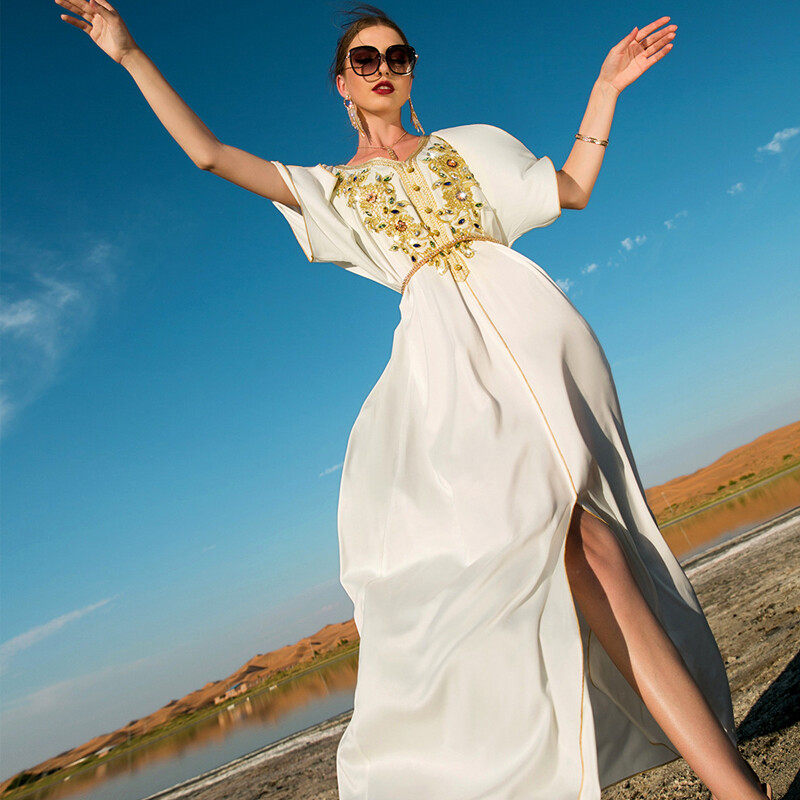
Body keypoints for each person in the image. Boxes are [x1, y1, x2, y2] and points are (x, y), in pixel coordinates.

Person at [55, 1, 777, 798]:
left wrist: (606, 87)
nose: (384, 70)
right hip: (450, 371)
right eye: (366, 61)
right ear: (341, 84)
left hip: (541, 340)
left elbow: (570, 187)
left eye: (397, 56)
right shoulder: (328, 189)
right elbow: (208, 155)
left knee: (594, 546)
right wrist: (128, 53)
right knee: (555, 550)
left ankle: (731, 785)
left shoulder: (467, 147)